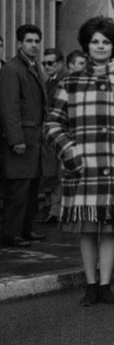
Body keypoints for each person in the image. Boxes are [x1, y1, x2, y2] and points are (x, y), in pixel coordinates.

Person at [45, 17, 114, 306]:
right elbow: (52, 125)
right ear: (87, 46)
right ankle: (90, 286)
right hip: (82, 167)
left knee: (110, 229)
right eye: (95, 41)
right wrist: (70, 152)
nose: (100, 46)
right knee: (87, 230)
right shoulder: (70, 82)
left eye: (106, 42)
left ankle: (106, 286)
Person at [0, 24, 48, 247]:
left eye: (37, 41)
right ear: (19, 43)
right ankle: (11, 234)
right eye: (29, 41)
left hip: (35, 139)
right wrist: (16, 138)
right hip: (21, 139)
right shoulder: (12, 69)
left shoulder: (34, 65)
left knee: (31, 188)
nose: (34, 45)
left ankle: (26, 230)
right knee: (17, 189)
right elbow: (9, 107)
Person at [38, 48, 67, 224]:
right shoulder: (48, 81)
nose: (47, 66)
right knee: (50, 171)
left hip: (58, 132)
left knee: (58, 173)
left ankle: (55, 210)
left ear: (60, 63)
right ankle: (51, 208)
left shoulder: (63, 81)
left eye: (51, 63)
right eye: (44, 63)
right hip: (48, 132)